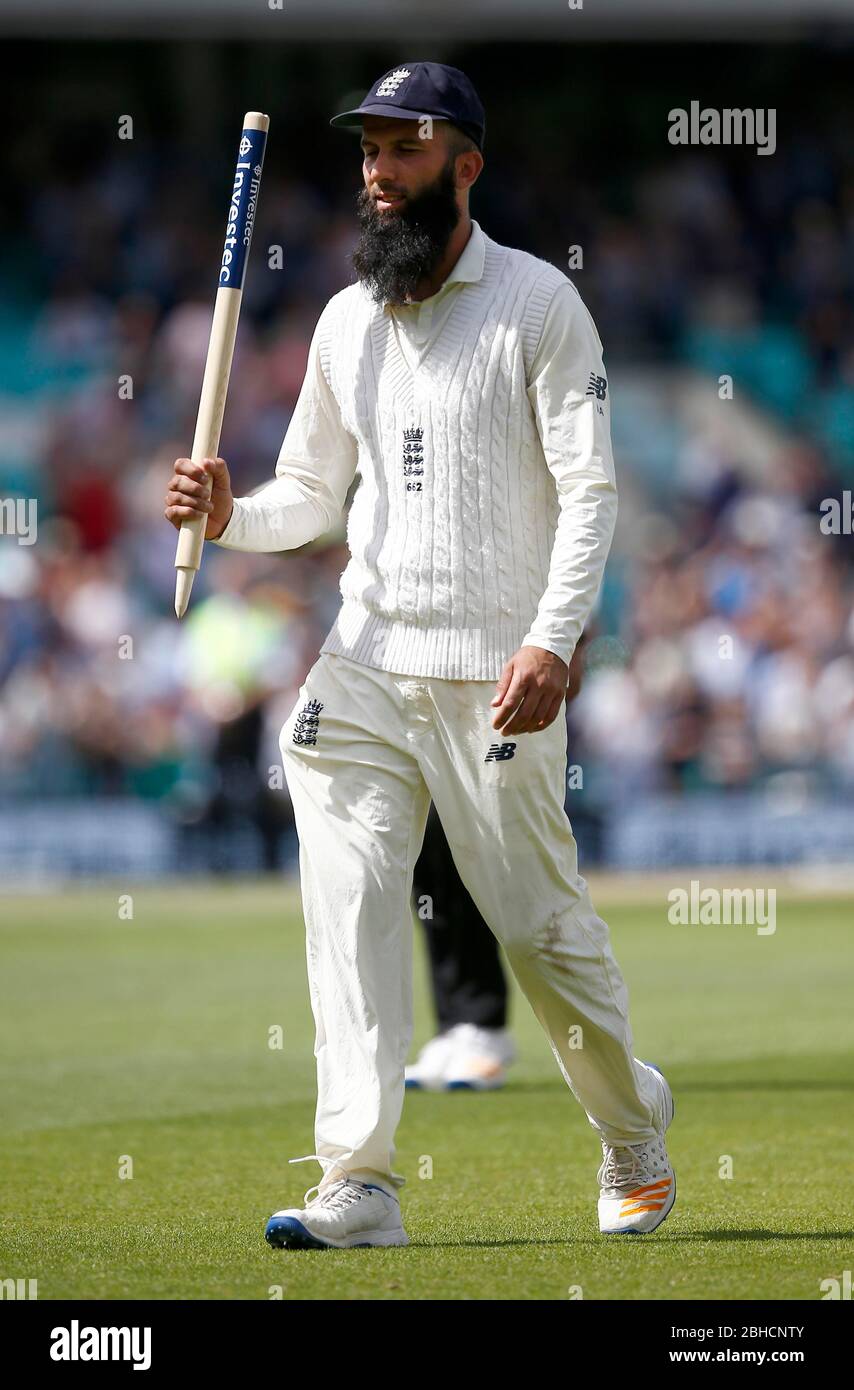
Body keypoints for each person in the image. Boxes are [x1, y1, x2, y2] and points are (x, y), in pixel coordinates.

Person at [164, 61, 676, 1247]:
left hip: (496, 670)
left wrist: (552, 640)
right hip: (364, 662)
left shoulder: (542, 305)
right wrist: (234, 511)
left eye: (403, 149)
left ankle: (627, 1125)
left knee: (535, 930)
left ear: (466, 166)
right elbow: (310, 497)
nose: (378, 174)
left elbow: (587, 492)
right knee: (344, 903)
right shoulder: (347, 319)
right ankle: (360, 1178)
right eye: (367, 153)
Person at [407, 639, 586, 1091]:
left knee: (483, 853)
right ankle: (460, 1024)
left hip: (501, 675)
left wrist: (572, 645)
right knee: (430, 854)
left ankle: (487, 1026)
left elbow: (572, 572)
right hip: (433, 672)